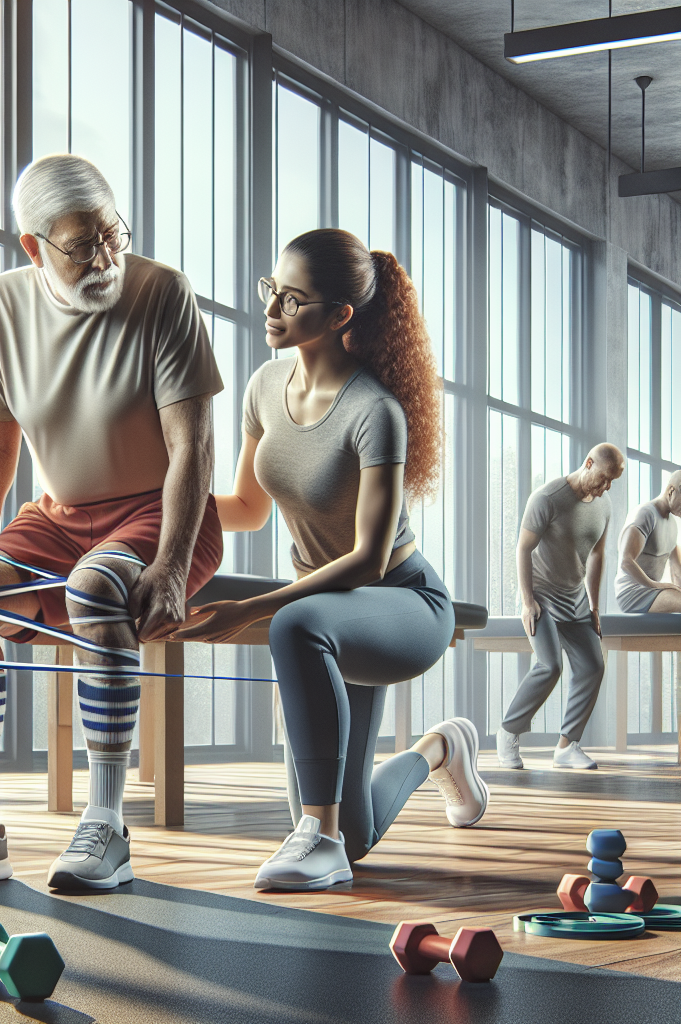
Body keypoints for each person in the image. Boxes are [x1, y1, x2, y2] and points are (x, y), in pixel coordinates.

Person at [0, 153, 223, 891]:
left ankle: (106, 823)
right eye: (82, 244)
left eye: (113, 234)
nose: (106, 256)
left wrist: (172, 566)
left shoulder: (164, 292)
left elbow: (194, 445)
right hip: (56, 515)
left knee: (94, 588)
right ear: (34, 246)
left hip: (164, 512)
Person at [175, 229, 486, 892]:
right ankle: (441, 750)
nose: (272, 311)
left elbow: (370, 560)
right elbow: (245, 507)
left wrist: (250, 610)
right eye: (271, 291)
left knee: (293, 625)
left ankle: (317, 839)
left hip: (400, 604)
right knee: (362, 835)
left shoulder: (374, 411)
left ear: (340, 315)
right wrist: (159, 503)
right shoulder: (264, 387)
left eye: (293, 300)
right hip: (331, 612)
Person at [497, 443, 625, 771]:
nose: (606, 487)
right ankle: (508, 732)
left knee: (593, 665)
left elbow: (598, 554)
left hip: (576, 599)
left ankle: (567, 746)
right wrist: (527, 602)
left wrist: (595, 606)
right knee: (549, 665)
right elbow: (523, 549)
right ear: (588, 463)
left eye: (612, 482)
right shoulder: (547, 498)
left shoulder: (604, 504)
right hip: (541, 595)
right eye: (603, 478)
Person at [614, 471, 681, 613]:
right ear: (671, 491)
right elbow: (626, 561)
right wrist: (656, 585)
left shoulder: (673, 525)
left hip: (653, 592)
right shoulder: (645, 514)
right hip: (632, 593)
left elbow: (677, 571)